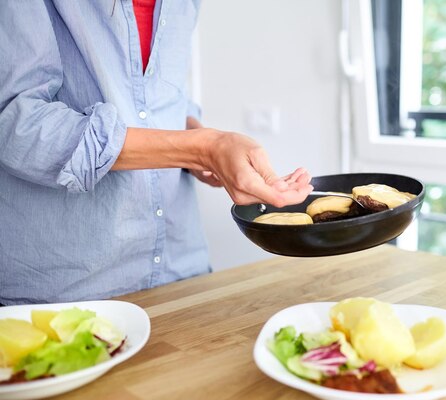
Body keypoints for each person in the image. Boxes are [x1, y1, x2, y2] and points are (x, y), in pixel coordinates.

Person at [0, 1, 313, 305]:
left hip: (181, 270)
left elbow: (161, 100)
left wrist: (201, 146)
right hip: (71, 286)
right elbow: (16, 121)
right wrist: (202, 149)